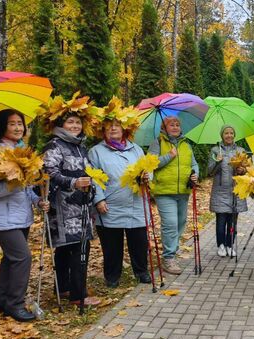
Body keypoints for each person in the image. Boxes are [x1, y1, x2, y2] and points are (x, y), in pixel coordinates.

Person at [0, 109, 49, 322]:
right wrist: (13, 185)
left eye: (21, 123)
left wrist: (37, 201)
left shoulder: (22, 152)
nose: (18, 127)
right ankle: (14, 304)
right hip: (2, 217)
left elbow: (26, 189)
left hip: (21, 215)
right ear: (2, 126)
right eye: (12, 124)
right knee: (22, 257)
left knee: (11, 259)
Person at [43, 111, 101, 306]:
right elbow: (49, 172)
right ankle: (78, 295)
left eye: (78, 122)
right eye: (70, 122)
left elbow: (89, 172)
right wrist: (73, 181)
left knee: (72, 248)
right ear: (61, 124)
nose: (75, 126)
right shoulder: (55, 145)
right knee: (76, 248)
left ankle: (65, 288)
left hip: (81, 204)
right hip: (62, 207)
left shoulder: (81, 147)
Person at [88, 120, 151, 288]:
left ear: (125, 129)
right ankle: (112, 276)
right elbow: (93, 178)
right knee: (111, 245)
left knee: (139, 242)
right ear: (103, 130)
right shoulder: (96, 152)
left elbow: (147, 169)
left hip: (136, 203)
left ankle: (141, 271)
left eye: (117, 125)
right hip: (110, 205)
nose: (113, 128)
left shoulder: (136, 149)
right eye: (109, 126)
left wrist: (147, 177)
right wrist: (98, 199)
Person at [149, 116, 199, 275]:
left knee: (180, 223)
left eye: (178, 124)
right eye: (172, 124)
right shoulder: (157, 142)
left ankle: (172, 251)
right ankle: (169, 257)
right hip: (164, 191)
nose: (176, 127)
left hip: (183, 191)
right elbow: (150, 164)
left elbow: (194, 164)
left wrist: (195, 174)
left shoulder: (186, 145)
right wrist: (169, 156)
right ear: (164, 127)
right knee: (170, 223)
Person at [208, 125, 248, 257]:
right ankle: (221, 245)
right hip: (220, 192)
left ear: (234, 135)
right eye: (226, 133)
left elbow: (247, 171)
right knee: (221, 221)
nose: (229, 135)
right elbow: (209, 172)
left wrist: (242, 170)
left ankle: (230, 245)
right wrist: (217, 162)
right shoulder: (215, 150)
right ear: (222, 135)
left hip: (235, 191)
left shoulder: (240, 151)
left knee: (233, 221)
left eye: (231, 133)